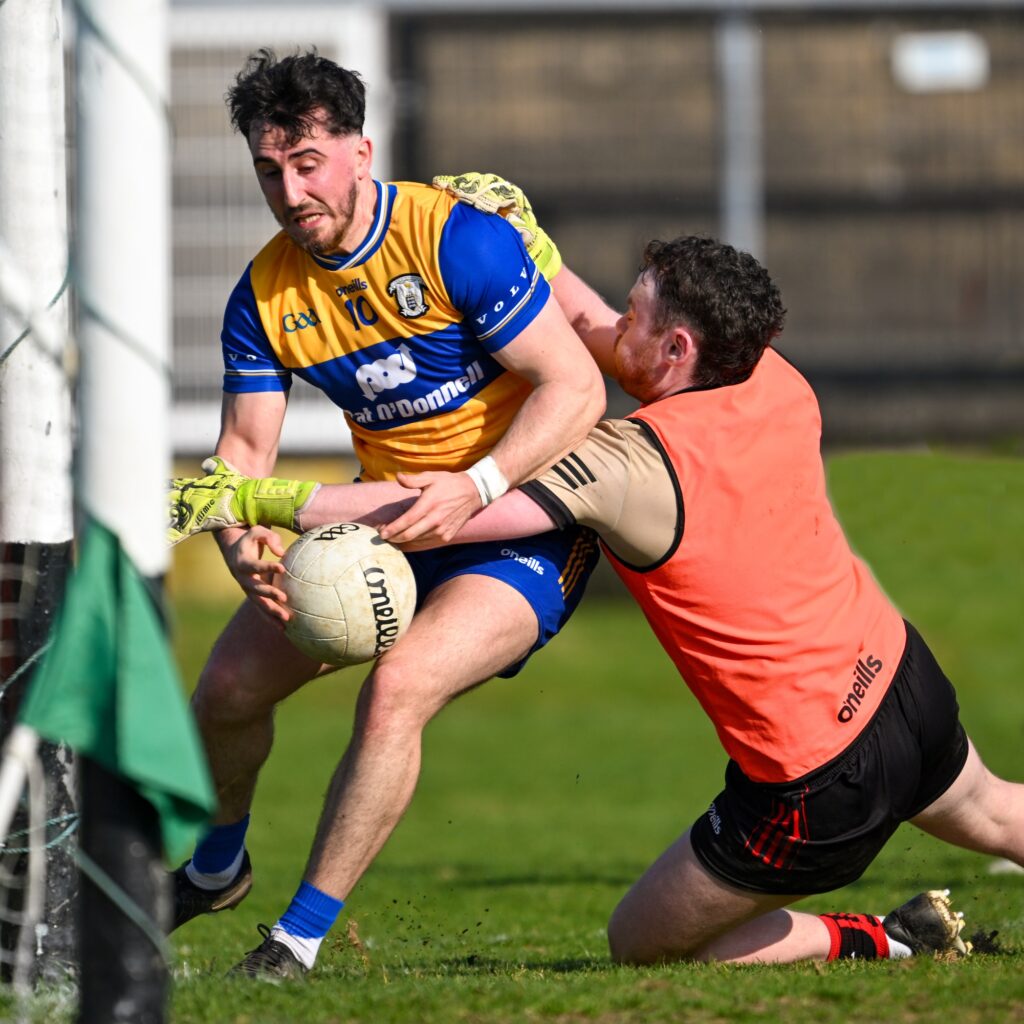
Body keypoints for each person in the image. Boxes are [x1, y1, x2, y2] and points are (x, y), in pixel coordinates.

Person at [172, 230, 1024, 969]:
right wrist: (533, 246)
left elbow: (436, 517)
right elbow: (600, 337)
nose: (612, 327)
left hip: (813, 780)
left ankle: (880, 939)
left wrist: (257, 499)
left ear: (678, 348)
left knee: (644, 942)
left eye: (634, 315)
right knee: (992, 810)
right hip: (901, 682)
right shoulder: (774, 379)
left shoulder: (622, 465)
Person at [169, 51, 605, 979]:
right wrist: (239, 538)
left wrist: (480, 484)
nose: (289, 191)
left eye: (308, 163)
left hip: (526, 525)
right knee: (224, 693)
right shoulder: (264, 295)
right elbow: (243, 453)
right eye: (269, 170)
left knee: (397, 690)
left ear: (361, 150)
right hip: (390, 536)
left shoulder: (457, 240)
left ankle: (298, 940)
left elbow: (576, 388)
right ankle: (217, 867)